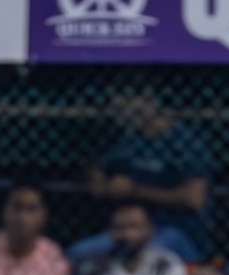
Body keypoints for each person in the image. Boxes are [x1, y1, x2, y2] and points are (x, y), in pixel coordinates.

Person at [75, 88, 213, 262]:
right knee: (79, 253)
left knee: (149, 256)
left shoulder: (184, 141)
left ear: (147, 100)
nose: (119, 113)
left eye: (125, 105)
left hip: (171, 229)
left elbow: (193, 199)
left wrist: (133, 190)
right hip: (123, 227)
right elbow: (95, 167)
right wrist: (102, 182)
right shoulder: (125, 140)